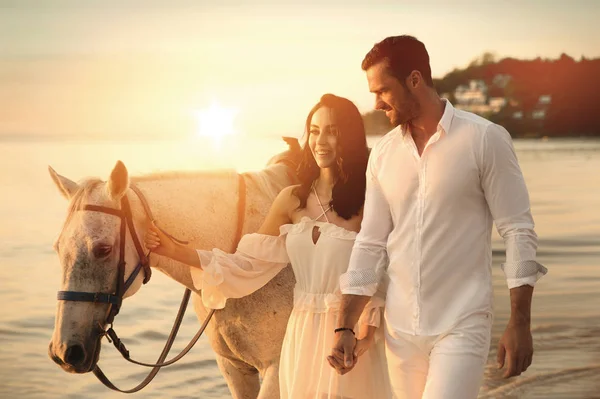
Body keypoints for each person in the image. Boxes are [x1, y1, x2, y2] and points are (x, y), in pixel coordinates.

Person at [329, 36, 547, 398]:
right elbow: (370, 242)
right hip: (399, 331)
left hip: (461, 323)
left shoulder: (484, 139)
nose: (377, 102)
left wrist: (520, 322)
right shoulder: (383, 155)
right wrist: (345, 328)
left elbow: (518, 230)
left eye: (383, 90)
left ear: (415, 80)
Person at [145, 93, 392, 398]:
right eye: (314, 131)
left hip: (349, 336)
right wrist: (173, 250)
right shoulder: (291, 199)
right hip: (300, 338)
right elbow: (247, 264)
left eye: (332, 131)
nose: (321, 141)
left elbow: (377, 276)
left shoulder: (370, 199)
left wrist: (363, 339)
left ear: (350, 137)